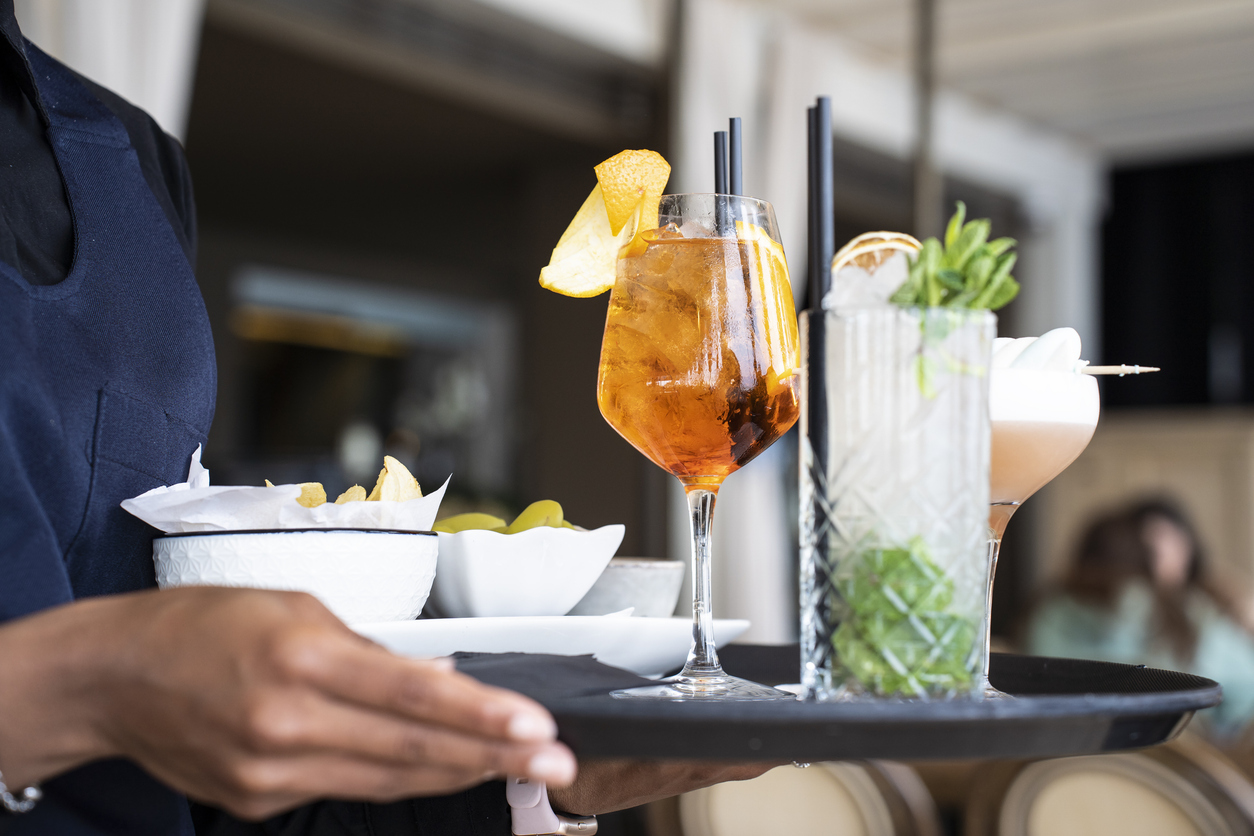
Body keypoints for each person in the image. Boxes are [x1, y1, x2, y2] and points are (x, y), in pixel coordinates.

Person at [0, 5, 764, 834]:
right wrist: (66, 689)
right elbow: (116, 685)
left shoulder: (130, 162)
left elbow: (205, 788)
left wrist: (532, 776)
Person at [1026, 498, 1254, 738]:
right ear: (1148, 559)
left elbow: (1030, 681)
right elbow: (1245, 690)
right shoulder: (1189, 614)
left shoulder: (1047, 608)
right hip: (1173, 754)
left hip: (1065, 752)